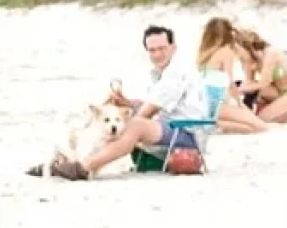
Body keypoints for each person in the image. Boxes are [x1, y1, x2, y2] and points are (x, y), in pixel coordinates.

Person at [49, 25, 209, 181]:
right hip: (171, 127)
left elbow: (147, 112)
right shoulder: (161, 73)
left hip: (187, 133)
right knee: (112, 116)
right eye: (152, 50)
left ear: (173, 48)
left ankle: (83, 167)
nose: (157, 54)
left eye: (162, 48)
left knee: (132, 125)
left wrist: (122, 119)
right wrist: (125, 103)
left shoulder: (176, 73)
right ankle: (71, 161)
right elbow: (150, 105)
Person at [195, 17, 267, 134]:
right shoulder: (225, 51)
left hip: (203, 103)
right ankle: (213, 125)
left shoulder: (204, 54)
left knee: (249, 128)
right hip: (218, 104)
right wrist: (240, 103)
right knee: (261, 127)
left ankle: (213, 125)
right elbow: (228, 81)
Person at [234, 28, 287, 123]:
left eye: (236, 50)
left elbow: (263, 83)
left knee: (263, 119)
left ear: (245, 46)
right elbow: (249, 82)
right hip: (277, 91)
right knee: (254, 117)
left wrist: (239, 89)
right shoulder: (247, 60)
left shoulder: (270, 53)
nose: (236, 54)